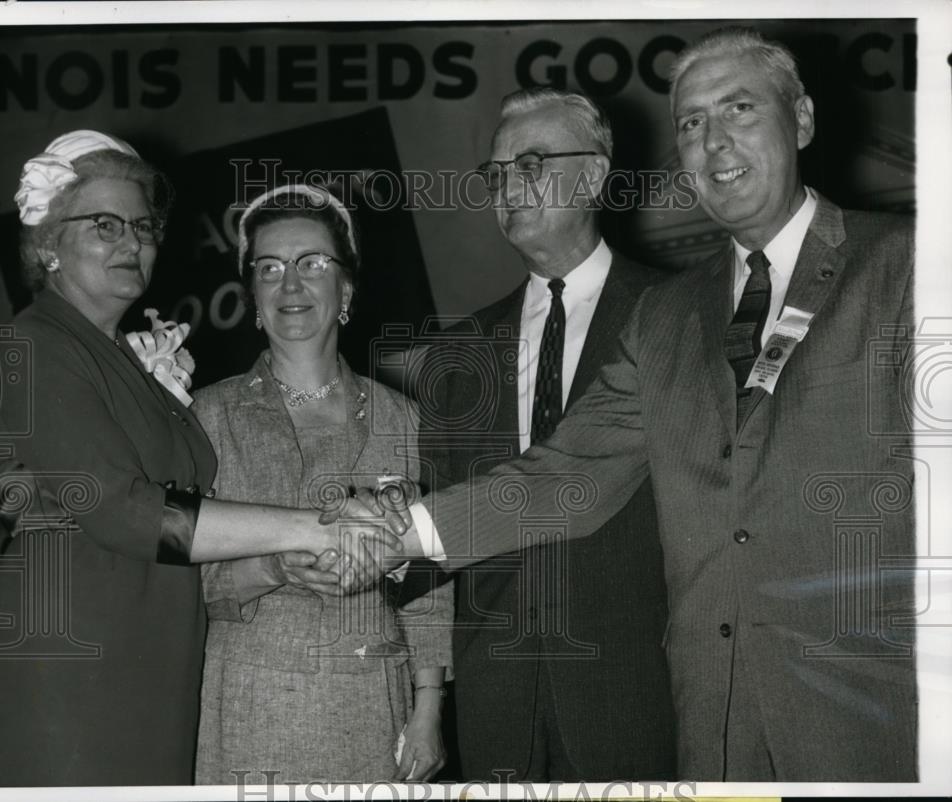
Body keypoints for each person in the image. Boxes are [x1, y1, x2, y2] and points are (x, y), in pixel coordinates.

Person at [352, 27, 917, 782]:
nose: (713, 142)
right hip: (713, 739)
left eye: (739, 109)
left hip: (871, 731)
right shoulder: (670, 316)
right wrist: (397, 535)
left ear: (804, 120)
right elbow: (562, 478)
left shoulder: (912, 264)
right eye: (690, 123)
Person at [0, 132, 396, 786]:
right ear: (47, 245)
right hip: (73, 661)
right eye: (105, 225)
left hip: (158, 661)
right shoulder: (30, 343)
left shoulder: (131, 361)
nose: (133, 242)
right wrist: (316, 527)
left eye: (143, 226)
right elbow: (124, 511)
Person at [416, 88, 674, 780]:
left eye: (529, 163)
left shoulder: (679, 315)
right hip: (495, 703)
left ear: (592, 176)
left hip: (635, 694)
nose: (506, 187)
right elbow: (432, 526)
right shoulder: (457, 351)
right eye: (495, 173)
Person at [192, 184, 452, 783]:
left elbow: (431, 579)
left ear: (347, 291)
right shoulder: (206, 418)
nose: (291, 284)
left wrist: (428, 707)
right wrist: (274, 568)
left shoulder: (404, 419)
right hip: (249, 710)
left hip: (374, 712)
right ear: (253, 297)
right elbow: (179, 591)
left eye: (312, 263)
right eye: (270, 268)